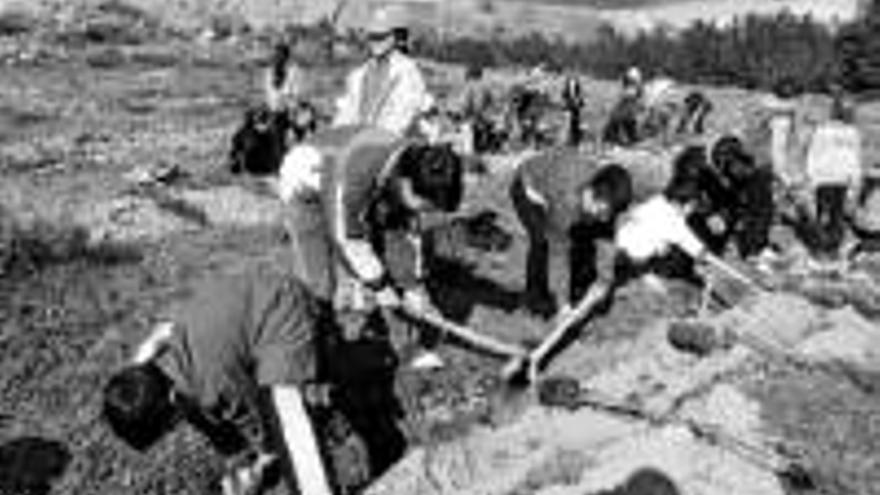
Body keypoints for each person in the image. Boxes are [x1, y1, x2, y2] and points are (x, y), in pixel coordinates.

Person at [276, 125, 465, 475]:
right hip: (309, 186)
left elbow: (408, 235)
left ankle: (409, 350)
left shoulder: (416, 164)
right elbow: (345, 237)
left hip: (366, 189)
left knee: (398, 266)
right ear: (405, 182)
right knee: (317, 287)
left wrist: (413, 288)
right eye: (423, 202)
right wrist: (381, 287)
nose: (424, 210)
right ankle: (317, 371)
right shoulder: (355, 170)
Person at [102, 264, 336, 495]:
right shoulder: (160, 373)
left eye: (169, 428)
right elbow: (208, 424)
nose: (174, 430)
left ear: (171, 401)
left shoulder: (211, 382)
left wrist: (260, 464)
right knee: (199, 408)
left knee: (285, 423)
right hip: (252, 303)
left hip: (283, 308)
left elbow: (255, 418)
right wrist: (239, 462)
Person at [510, 148, 637, 317]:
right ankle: (535, 298)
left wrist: (604, 281)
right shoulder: (565, 203)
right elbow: (558, 255)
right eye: (602, 212)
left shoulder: (607, 201)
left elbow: (606, 240)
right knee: (542, 242)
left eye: (610, 214)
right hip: (529, 187)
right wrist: (563, 305)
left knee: (587, 236)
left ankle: (578, 288)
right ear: (592, 194)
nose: (606, 219)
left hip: (565, 178)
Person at [332, 6, 435, 138]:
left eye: (381, 36)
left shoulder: (408, 73)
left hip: (392, 146)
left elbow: (401, 118)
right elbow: (347, 113)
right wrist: (338, 135)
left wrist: (372, 138)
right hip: (359, 145)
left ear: (397, 37)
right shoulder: (358, 76)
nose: (375, 41)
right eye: (372, 36)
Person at [801, 94, 862, 262]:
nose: (849, 114)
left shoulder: (853, 132)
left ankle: (832, 247)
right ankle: (821, 247)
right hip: (824, 179)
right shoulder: (823, 129)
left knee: (837, 215)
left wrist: (855, 179)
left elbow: (855, 156)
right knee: (825, 215)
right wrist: (811, 176)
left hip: (842, 179)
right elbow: (813, 152)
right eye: (847, 111)